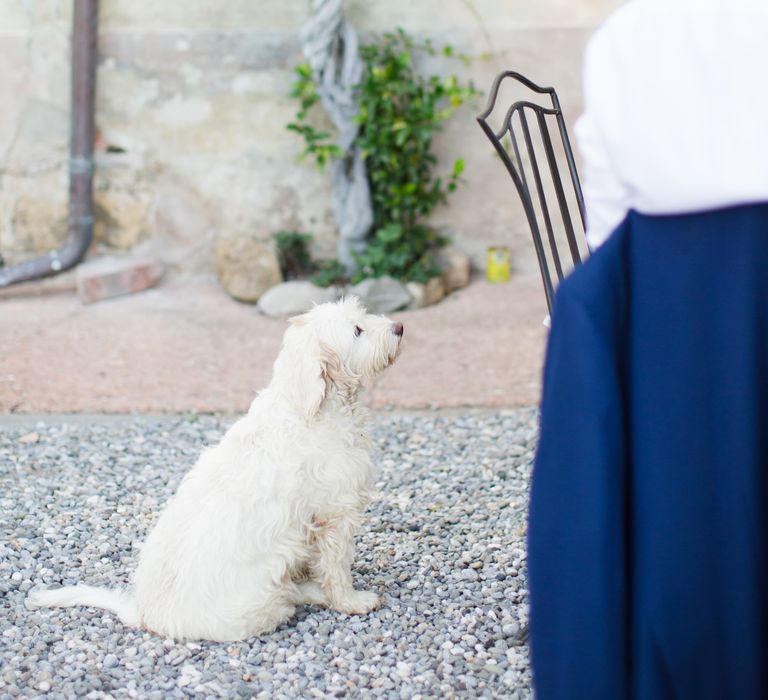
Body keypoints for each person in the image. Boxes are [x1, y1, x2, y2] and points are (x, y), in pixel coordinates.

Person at [527, 0, 768, 698]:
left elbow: (604, 221)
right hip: (682, 293)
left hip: (676, 310)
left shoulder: (629, 35)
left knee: (696, 526)